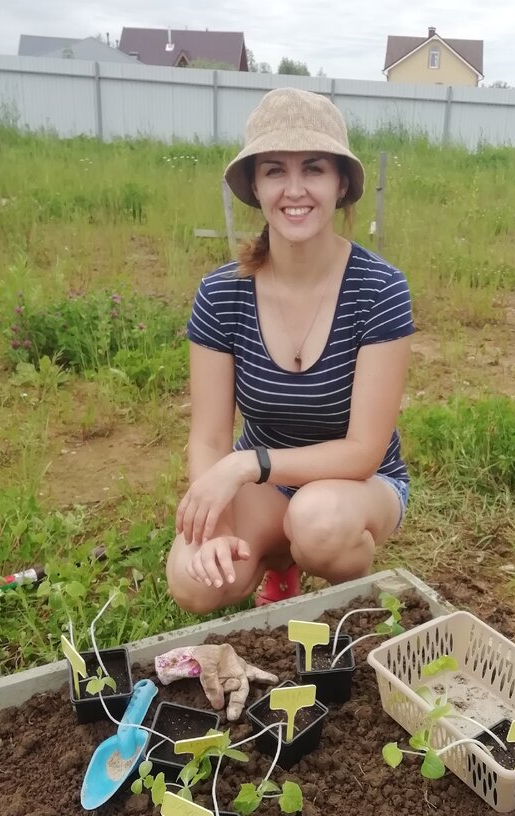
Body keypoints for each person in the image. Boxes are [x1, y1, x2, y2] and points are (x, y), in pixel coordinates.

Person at [166, 88, 414, 615]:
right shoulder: (221, 293)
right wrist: (220, 527)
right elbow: (209, 435)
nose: (295, 189)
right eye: (275, 170)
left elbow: (363, 450)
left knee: (320, 523)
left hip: (358, 484)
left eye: (315, 169)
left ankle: (332, 590)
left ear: (341, 183)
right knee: (195, 580)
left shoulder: (380, 289)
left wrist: (244, 466)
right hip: (266, 482)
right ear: (255, 185)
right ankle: (280, 559)